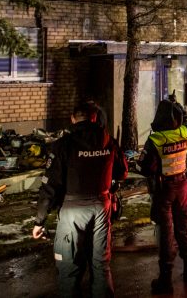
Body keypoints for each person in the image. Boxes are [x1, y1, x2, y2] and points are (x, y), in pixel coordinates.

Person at [33, 99, 128, 298]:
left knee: (69, 267)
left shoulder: (63, 145)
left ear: (73, 119)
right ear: (94, 118)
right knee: (100, 264)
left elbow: (50, 185)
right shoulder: (108, 140)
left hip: (72, 212)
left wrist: (39, 220)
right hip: (101, 207)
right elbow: (122, 172)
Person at [140, 98, 187, 293]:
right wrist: (179, 106)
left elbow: (145, 167)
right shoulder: (183, 132)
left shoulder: (155, 140)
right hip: (182, 187)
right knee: (184, 229)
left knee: (166, 233)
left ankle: (166, 280)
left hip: (164, 190)